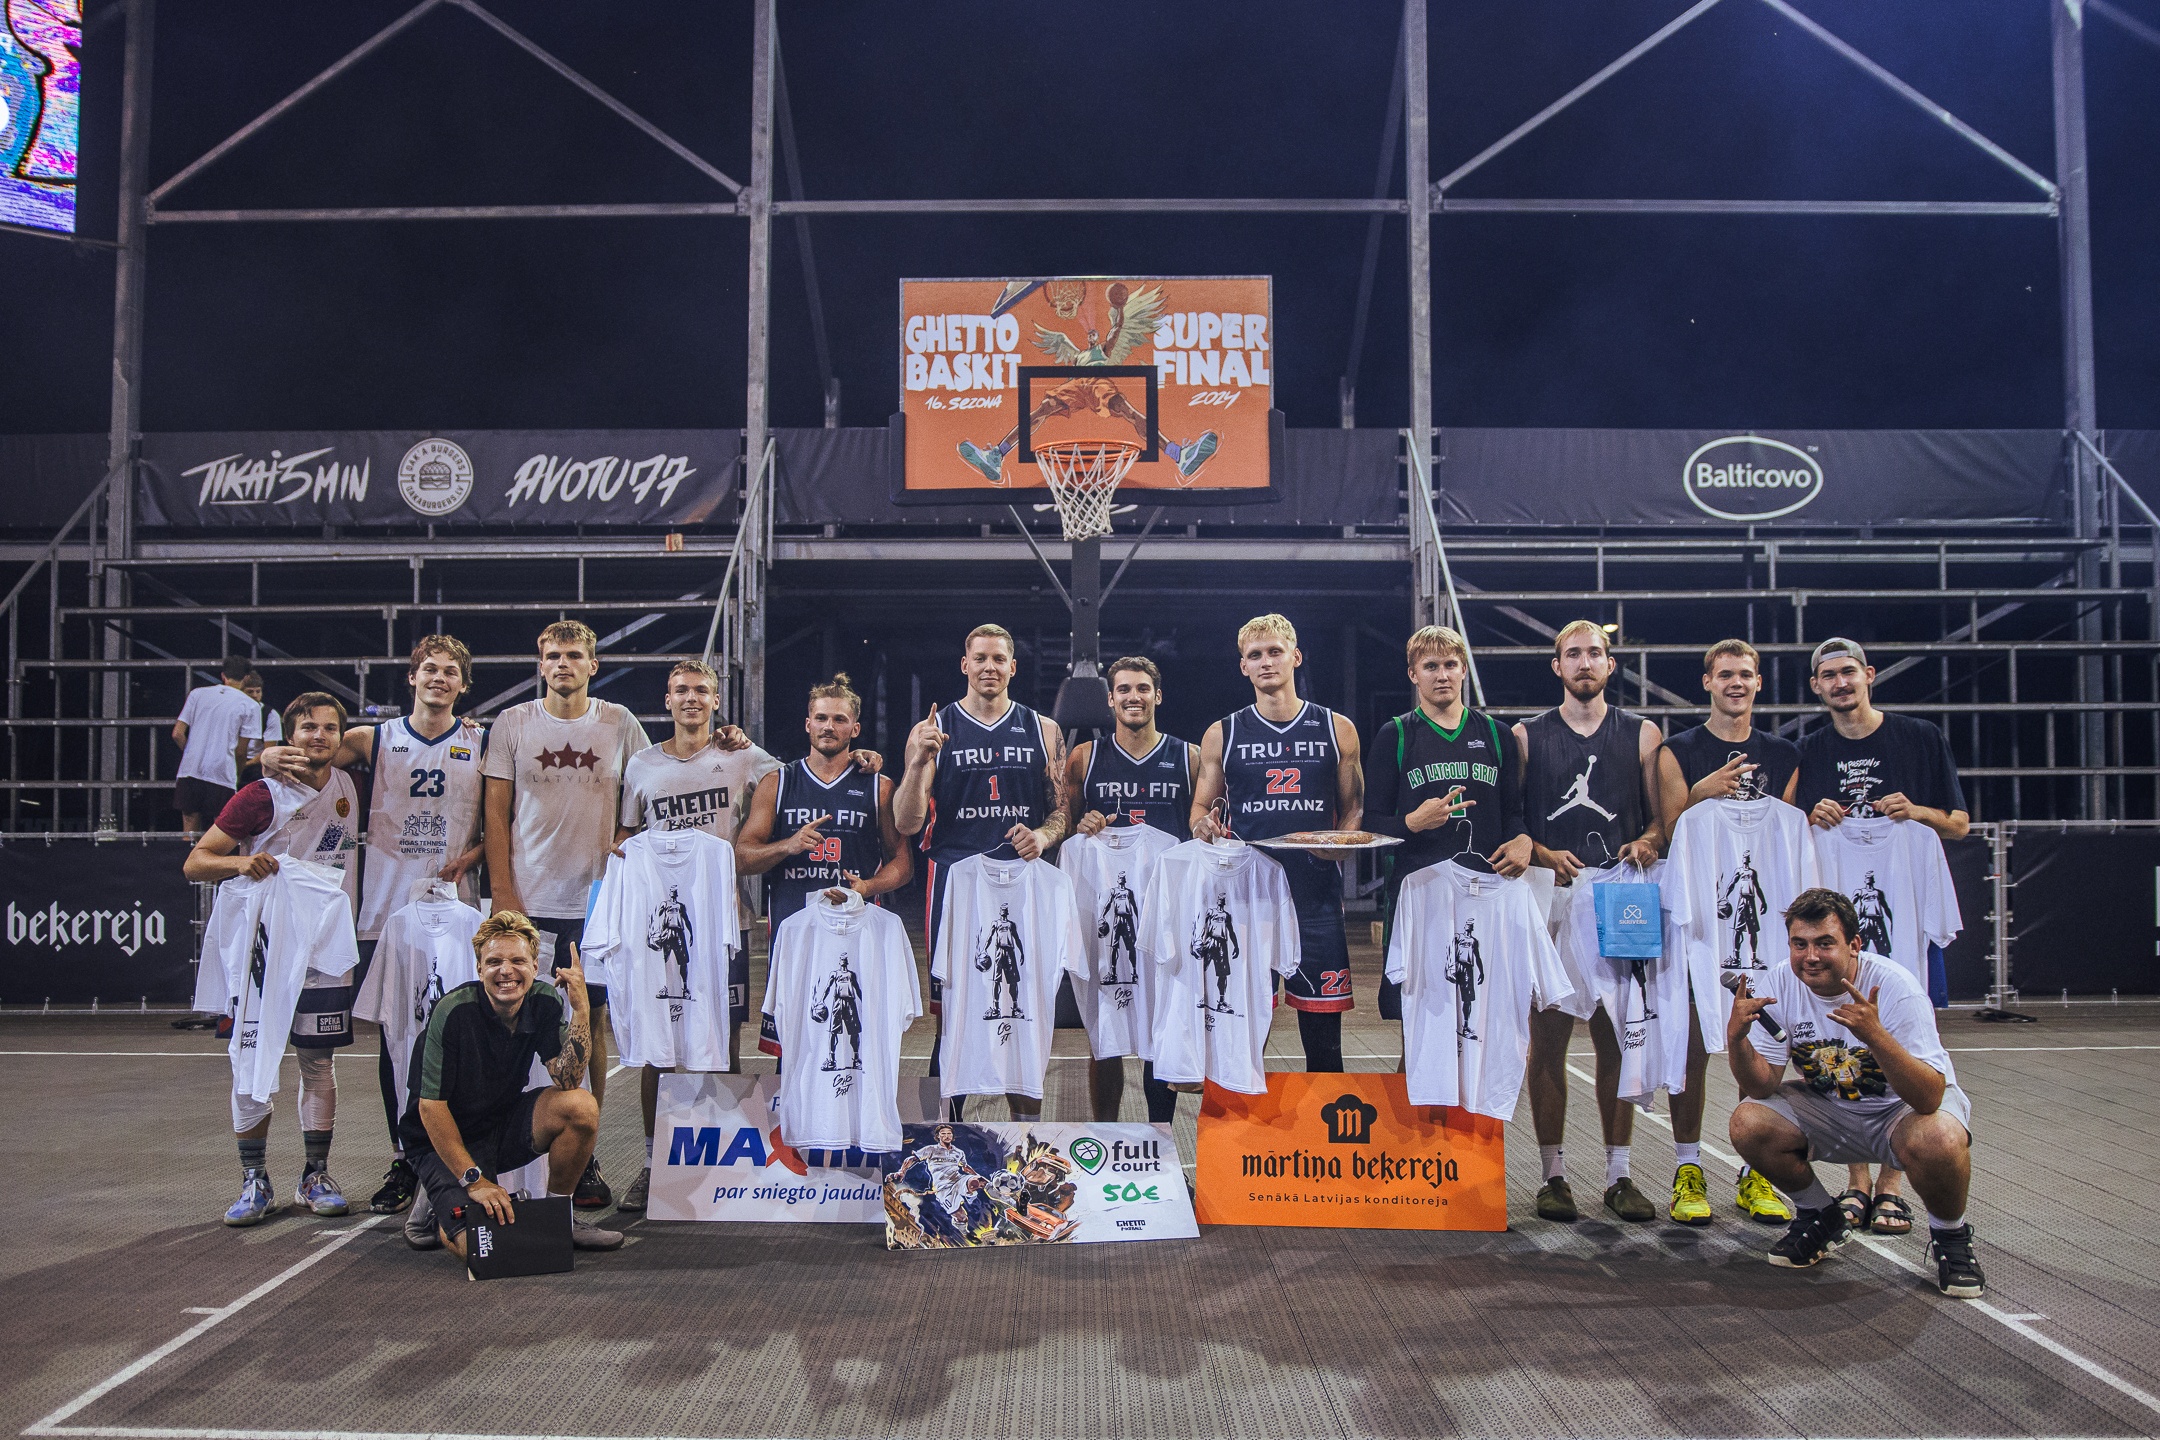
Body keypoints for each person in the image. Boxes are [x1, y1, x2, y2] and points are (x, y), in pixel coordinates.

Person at [259, 635, 487, 1217]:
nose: (439, 678)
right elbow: (308, 753)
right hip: (385, 915)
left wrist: (477, 852)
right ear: (412, 677)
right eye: (429, 669)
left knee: (460, 1040)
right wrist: (266, 755)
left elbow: (507, 816)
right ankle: (404, 1159)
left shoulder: (481, 742)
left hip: (456, 912)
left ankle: (457, 1156)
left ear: (463, 684)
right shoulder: (372, 738)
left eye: (451, 672)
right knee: (396, 1044)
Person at [1725, 888, 1983, 1298]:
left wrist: (1876, 1035)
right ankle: (1820, 1216)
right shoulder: (1780, 981)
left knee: (1941, 1138)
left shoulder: (1895, 987)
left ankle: (1951, 1237)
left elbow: (1929, 1098)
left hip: (1900, 1114)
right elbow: (1762, 1086)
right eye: (1799, 944)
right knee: (1748, 1120)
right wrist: (1736, 1040)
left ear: (1854, 944)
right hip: (1832, 1110)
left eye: (1825, 943)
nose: (1810, 956)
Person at [1796, 636, 1971, 1236]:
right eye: (1828, 676)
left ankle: (1891, 1184)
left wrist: (1917, 813)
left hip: (1901, 943)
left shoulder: (1920, 737)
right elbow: (1794, 829)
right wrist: (1810, 817)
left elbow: (1959, 824)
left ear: (1868, 674)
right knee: (1844, 1047)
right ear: (1817, 687)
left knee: (1905, 1050)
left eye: (1848, 671)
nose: (1840, 683)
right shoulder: (1811, 750)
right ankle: (1857, 1179)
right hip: (1840, 949)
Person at [482, 620, 649, 1209]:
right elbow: (494, 813)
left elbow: (649, 789)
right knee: (520, 1024)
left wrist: (623, 848)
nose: (562, 664)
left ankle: (586, 1151)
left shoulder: (620, 722)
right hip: (529, 902)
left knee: (590, 1024)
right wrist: (504, 895)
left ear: (592, 665)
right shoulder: (513, 723)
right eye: (552, 655)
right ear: (540, 663)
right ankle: (514, 1153)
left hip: (597, 903)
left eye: (574, 655)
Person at [604, 659, 781, 1213]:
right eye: (681, 690)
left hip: (726, 924)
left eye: (701, 690)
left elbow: (800, 776)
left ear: (715, 700)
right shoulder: (642, 764)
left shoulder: (743, 756)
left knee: (721, 1043)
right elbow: (625, 835)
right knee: (657, 1049)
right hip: (660, 927)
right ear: (667, 699)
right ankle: (653, 1165)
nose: (691, 698)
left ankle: (726, 1165)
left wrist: (866, 759)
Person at [183, 692, 363, 1225]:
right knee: (250, 1059)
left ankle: (315, 1175)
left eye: (329, 728)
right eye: (308, 727)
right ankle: (254, 1179)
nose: (319, 736)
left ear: (340, 737)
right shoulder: (261, 794)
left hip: (324, 945)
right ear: (289, 736)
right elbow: (196, 862)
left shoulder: (348, 783)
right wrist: (241, 864)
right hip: (266, 945)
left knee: (319, 1062)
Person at [1514, 620, 1664, 1224]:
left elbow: (1662, 820)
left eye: (1594, 653)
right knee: (1547, 1042)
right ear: (1557, 666)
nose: (1584, 663)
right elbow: (1514, 823)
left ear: (1610, 664)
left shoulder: (1643, 734)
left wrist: (1649, 842)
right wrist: (1540, 851)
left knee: (1617, 1039)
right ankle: (1553, 1175)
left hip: (1619, 895)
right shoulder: (1526, 736)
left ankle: (1618, 1175)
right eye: (1572, 654)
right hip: (1551, 893)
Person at [1655, 638, 1804, 1224]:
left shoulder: (1784, 755)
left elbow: (1786, 833)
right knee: (1691, 1046)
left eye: (1745, 674)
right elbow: (1673, 834)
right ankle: (1687, 1167)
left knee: (1762, 1046)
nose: (1735, 683)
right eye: (1725, 674)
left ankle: (1755, 1170)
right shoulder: (1679, 750)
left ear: (1758, 683)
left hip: (1765, 936)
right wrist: (1702, 793)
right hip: (1699, 927)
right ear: (1708, 682)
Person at [894, 624, 1068, 1120]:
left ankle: (1025, 1135)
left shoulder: (1043, 730)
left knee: (1021, 1012)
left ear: (1013, 667)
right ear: (964, 665)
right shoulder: (933, 729)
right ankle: (940, 1138)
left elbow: (1061, 811)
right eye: (980, 658)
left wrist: (1044, 836)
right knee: (952, 1018)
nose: (989, 667)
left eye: (998, 659)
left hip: (1022, 885)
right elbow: (906, 822)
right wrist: (918, 763)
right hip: (956, 884)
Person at [1190, 613, 1364, 1072]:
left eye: (1274, 652)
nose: (1266, 662)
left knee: (1324, 1044)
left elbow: (1354, 807)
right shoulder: (1222, 733)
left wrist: (1341, 843)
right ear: (1243, 666)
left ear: (1295, 657)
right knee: (1242, 1036)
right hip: (1247, 900)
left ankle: (1324, 1121)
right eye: (1255, 655)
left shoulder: (1337, 728)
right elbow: (1199, 811)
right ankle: (1239, 1119)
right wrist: (1204, 828)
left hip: (1316, 897)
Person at [401, 910, 623, 1256]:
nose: (506, 971)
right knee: (483, 1251)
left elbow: (568, 1079)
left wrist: (581, 1011)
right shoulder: (452, 1012)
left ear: (535, 966)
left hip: (497, 1124)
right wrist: (474, 1180)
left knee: (580, 1106)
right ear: (479, 969)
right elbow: (430, 1109)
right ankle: (436, 1203)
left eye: (518, 961)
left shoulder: (543, 1000)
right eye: (494, 962)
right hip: (439, 1138)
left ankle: (558, 1217)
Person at [1365, 625, 1532, 1027]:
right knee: (1420, 1024)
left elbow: (1514, 812)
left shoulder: (1497, 735)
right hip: (1420, 895)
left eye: (1450, 665)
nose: (1442, 675)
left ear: (1463, 671)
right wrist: (1412, 822)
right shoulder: (1396, 735)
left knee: (1483, 1017)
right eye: (1430, 666)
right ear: (1413, 674)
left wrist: (1524, 838)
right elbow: (1371, 825)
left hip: (1485, 893)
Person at [1063, 655, 1194, 1122]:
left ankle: (1160, 1139)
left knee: (1163, 1027)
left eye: (1142, 689)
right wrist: (1081, 825)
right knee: (1105, 1033)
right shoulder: (1084, 758)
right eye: (1123, 689)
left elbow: (1201, 825)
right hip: (1108, 909)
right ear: (1110, 699)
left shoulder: (1189, 756)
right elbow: (1064, 827)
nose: (1133, 697)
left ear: (1158, 695)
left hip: (1169, 912)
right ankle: (1106, 1135)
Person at [736, 672, 912, 932]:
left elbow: (903, 863)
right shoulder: (776, 783)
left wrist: (867, 887)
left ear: (855, 729)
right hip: (793, 925)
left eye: (839, 719)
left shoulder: (879, 786)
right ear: (808, 724)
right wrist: (787, 846)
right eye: (821, 718)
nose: (829, 726)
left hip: (856, 922)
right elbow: (742, 858)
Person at [172, 656, 262, 837]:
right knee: (221, 829)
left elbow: (177, 733)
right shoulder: (251, 706)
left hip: (190, 768)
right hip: (222, 771)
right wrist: (237, 774)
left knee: (189, 827)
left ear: (223, 675)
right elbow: (241, 751)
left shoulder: (197, 694)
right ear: (246, 678)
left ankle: (186, 856)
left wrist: (190, 754)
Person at [236, 671, 280, 787]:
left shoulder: (270, 715)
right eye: (250, 692)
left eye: (258, 691)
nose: (255, 695)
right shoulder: (233, 712)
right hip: (232, 761)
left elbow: (268, 751)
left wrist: (244, 765)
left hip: (256, 765)